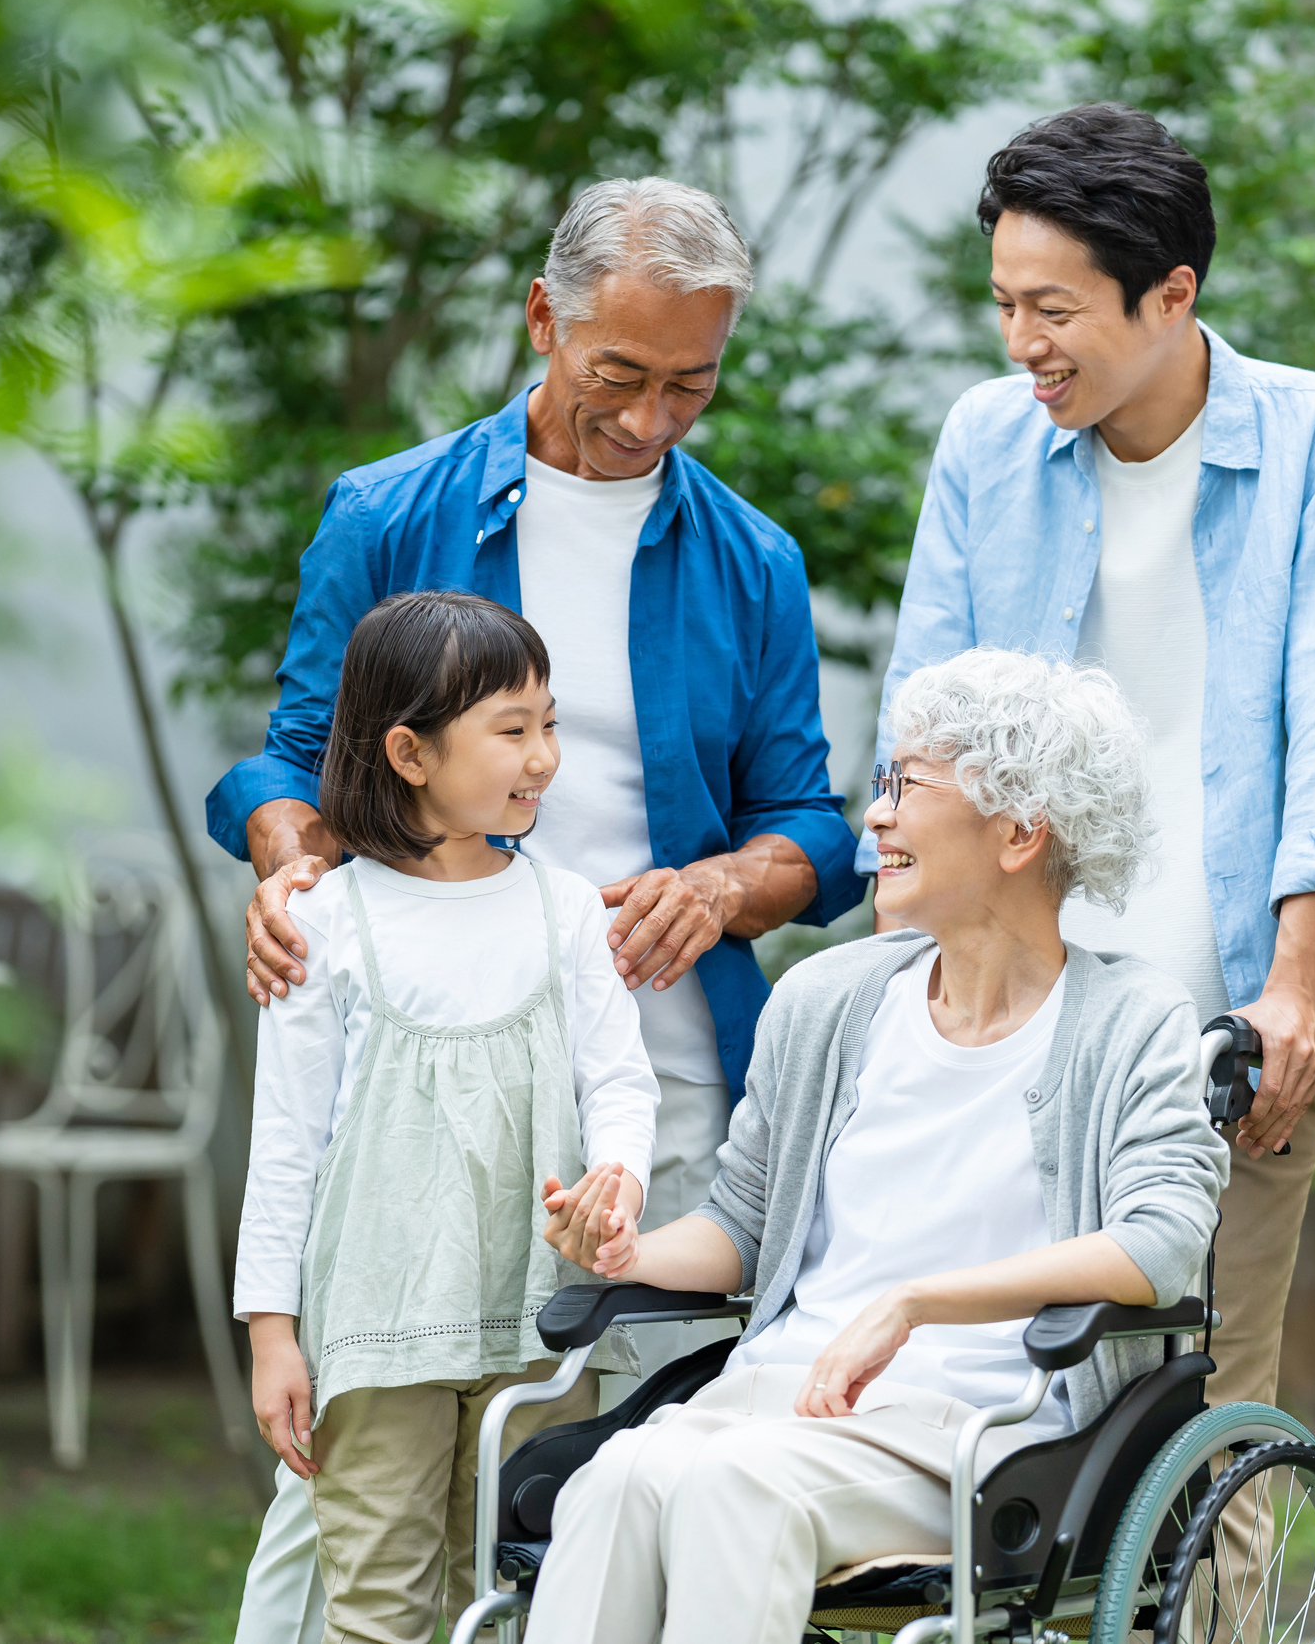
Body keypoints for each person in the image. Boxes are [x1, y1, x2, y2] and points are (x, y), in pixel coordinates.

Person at [208, 179, 864, 1641]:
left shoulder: (749, 557)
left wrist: (722, 884)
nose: (649, 419)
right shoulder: (391, 510)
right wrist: (288, 859)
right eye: (616, 375)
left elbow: (816, 824)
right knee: (349, 1488)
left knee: (617, 1456)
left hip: (653, 1070)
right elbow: (292, 751)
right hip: (415, 1061)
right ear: (543, 319)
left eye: (691, 383)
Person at [867, 103, 1315, 1427]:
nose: (1021, 344)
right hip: (1006, 1013)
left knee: (1204, 1410)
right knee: (985, 1400)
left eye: (1054, 309)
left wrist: (1293, 989)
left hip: (1219, 1019)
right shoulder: (986, 445)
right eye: (1004, 305)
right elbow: (919, 723)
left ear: (1172, 293)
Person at [522, 649, 1229, 1644]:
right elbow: (742, 1222)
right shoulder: (828, 999)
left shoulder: (1131, 1020)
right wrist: (628, 1252)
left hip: (968, 1432)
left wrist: (915, 1302)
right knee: (621, 1472)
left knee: (731, 1487)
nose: (877, 815)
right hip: (769, 1400)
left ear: (1021, 830)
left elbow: (1159, 1244)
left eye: (909, 785)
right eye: (883, 782)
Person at [234, 591, 661, 1644]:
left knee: (524, 1596)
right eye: (511, 729)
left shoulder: (564, 908)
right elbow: (285, 1146)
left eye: (549, 723)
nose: (543, 756)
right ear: (409, 752)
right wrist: (272, 1335)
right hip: (375, 1335)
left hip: (537, 1324)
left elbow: (620, 1081)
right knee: (377, 1607)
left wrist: (620, 1181)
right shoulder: (324, 922)